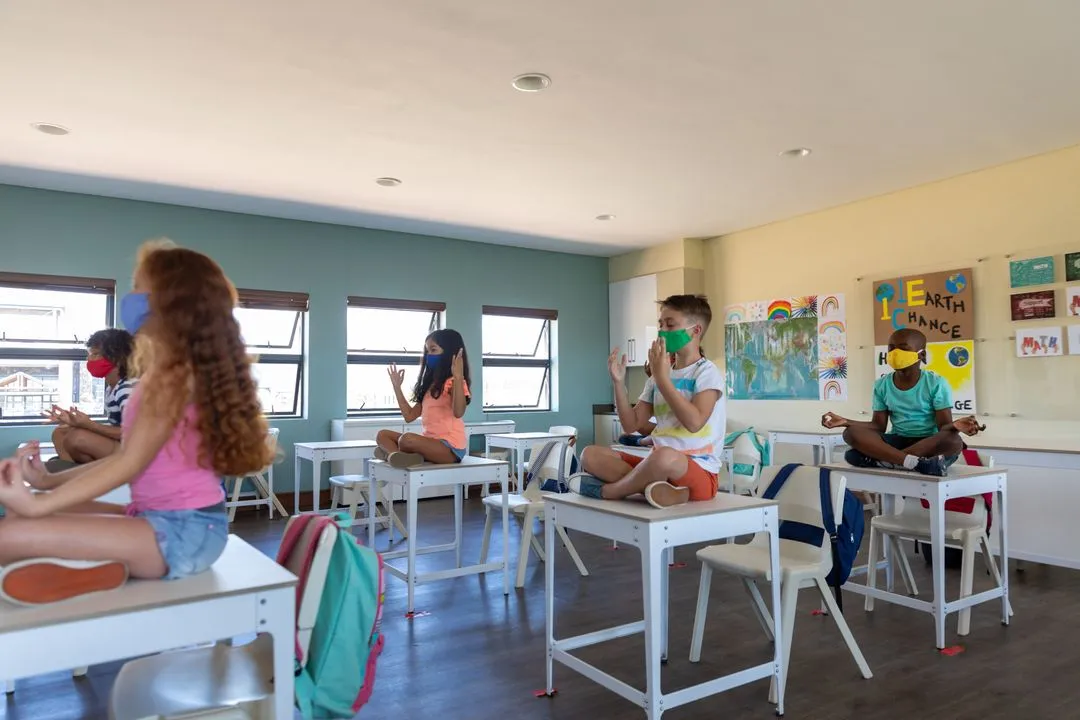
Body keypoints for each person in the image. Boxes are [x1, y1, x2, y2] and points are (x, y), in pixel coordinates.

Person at [0, 239, 272, 606]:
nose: (130, 297)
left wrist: (39, 504)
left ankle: (107, 566)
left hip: (185, 533)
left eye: (137, 287)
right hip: (164, 520)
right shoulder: (168, 375)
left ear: (170, 302)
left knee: (10, 533)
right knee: (19, 511)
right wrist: (47, 484)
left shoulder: (174, 380)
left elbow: (129, 464)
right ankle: (102, 567)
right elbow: (126, 456)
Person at [572, 295, 725, 508]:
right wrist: (618, 383)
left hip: (698, 472)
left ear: (696, 330)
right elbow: (630, 425)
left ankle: (612, 491)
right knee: (590, 454)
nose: (662, 331)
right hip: (656, 467)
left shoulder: (707, 373)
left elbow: (694, 422)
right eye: (660, 324)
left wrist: (662, 379)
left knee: (664, 457)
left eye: (670, 325)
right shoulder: (658, 376)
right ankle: (661, 491)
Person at [821, 327, 982, 476]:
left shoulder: (936, 383)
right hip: (897, 440)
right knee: (850, 433)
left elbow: (943, 428)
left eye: (904, 348)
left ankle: (892, 460)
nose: (895, 353)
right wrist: (845, 421)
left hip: (929, 442)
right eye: (891, 348)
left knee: (953, 441)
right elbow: (878, 426)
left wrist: (955, 426)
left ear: (922, 355)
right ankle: (915, 463)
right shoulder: (881, 385)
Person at [376, 328, 471, 468]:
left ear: (450, 353)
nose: (428, 355)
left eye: (433, 350)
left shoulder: (453, 382)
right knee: (382, 435)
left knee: (406, 440)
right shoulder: (429, 387)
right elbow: (409, 416)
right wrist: (397, 387)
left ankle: (393, 454)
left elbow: (459, 412)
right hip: (430, 443)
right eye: (427, 351)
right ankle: (397, 456)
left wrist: (457, 377)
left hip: (450, 449)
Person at [46, 328, 137, 467]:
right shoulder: (111, 388)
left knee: (77, 438)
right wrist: (75, 422)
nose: (89, 359)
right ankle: (71, 471)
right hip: (122, 444)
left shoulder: (128, 389)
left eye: (95, 354)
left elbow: (133, 433)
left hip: (135, 451)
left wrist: (89, 425)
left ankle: (90, 475)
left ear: (117, 358)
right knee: (60, 433)